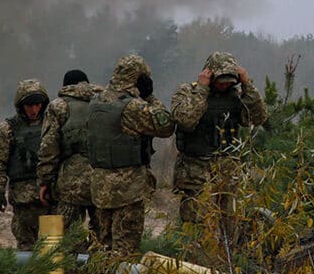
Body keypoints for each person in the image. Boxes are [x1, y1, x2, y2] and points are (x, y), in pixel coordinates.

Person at [87, 54, 175, 254]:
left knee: (102, 246)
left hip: (100, 187)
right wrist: (150, 96)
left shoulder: (96, 101)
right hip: (127, 188)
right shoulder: (132, 106)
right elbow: (165, 125)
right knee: (125, 249)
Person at [170, 51, 268, 225]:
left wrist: (247, 85)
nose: (224, 86)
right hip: (195, 168)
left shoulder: (236, 96)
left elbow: (258, 117)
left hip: (227, 169)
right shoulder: (188, 91)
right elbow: (185, 120)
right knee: (197, 223)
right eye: (221, 82)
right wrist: (202, 89)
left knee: (229, 222)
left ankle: (228, 252)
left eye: (229, 82)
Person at [36, 69, 101, 241]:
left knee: (65, 239)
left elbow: (49, 147)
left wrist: (45, 181)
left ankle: (68, 267)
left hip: (71, 184)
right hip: (103, 181)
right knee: (103, 238)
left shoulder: (59, 106)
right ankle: (100, 267)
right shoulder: (105, 102)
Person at [0, 79, 51, 250]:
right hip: (23, 202)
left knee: (54, 249)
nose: (33, 110)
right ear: (20, 105)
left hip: (50, 198)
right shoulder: (7, 130)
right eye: (29, 105)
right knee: (27, 248)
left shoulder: (52, 125)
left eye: (37, 105)